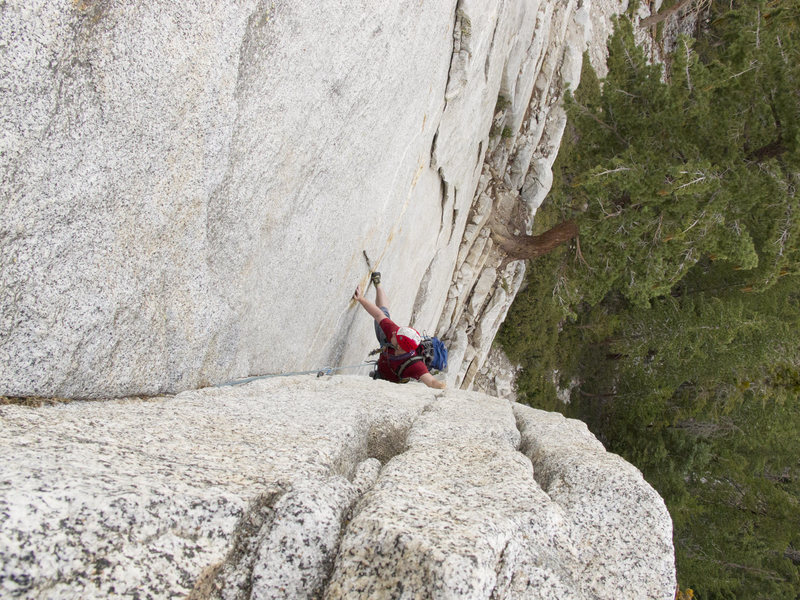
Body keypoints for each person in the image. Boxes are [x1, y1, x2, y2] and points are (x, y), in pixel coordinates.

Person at [353, 273, 446, 389]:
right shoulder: (394, 333)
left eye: (395, 336)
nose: (393, 332)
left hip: (389, 381)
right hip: (387, 345)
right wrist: (360, 298)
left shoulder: (414, 365)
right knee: (384, 311)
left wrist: (441, 387)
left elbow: (431, 381)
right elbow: (378, 314)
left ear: (400, 347)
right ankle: (378, 285)